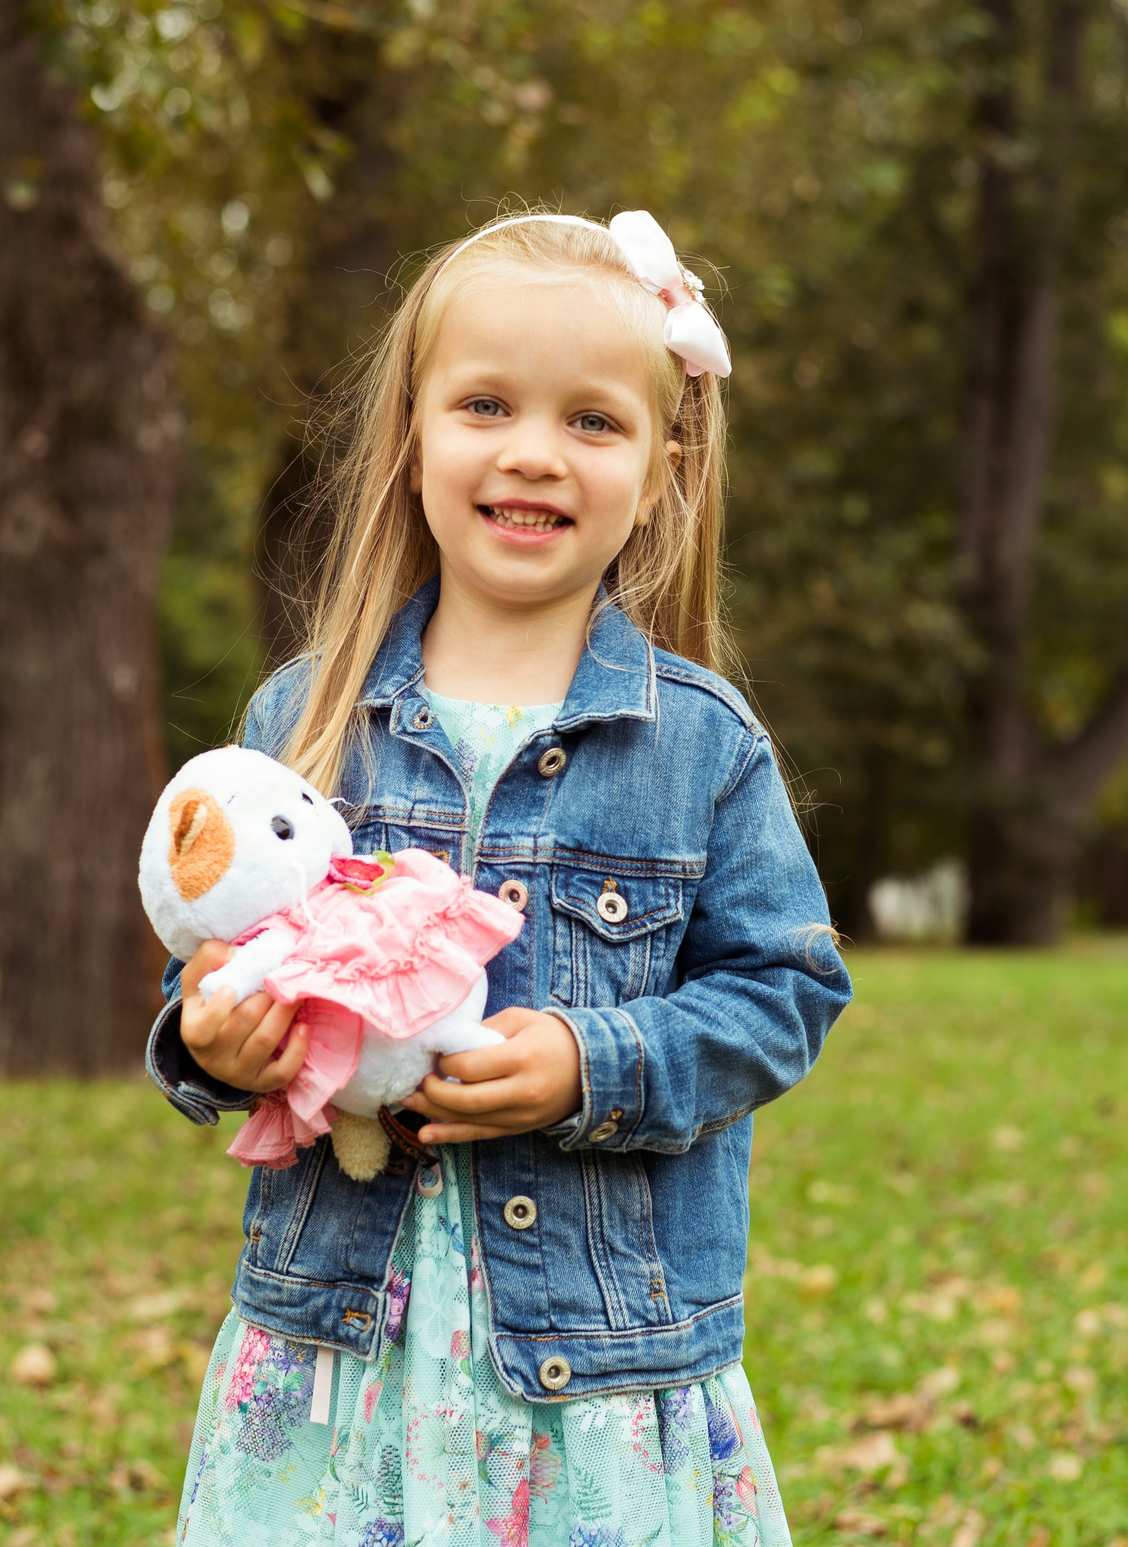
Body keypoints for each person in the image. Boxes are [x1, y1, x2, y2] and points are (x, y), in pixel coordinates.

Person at [143, 209, 850, 1546]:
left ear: (662, 465)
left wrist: (595, 1063)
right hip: (341, 1361)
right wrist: (215, 1037)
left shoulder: (701, 742)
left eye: (593, 421)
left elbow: (786, 991)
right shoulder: (305, 718)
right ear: (413, 437)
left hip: (592, 1378)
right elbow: (209, 965)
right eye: (485, 404)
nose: (533, 451)